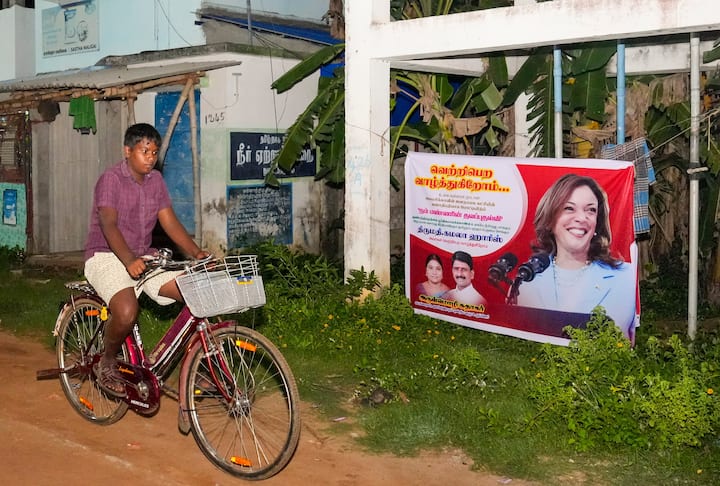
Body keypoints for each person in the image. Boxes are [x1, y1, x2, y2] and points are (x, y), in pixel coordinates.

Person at [84, 123, 209, 397]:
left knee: (197, 292)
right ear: (127, 151)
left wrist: (197, 253)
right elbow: (108, 224)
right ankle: (107, 362)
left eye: (154, 152)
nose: (150, 158)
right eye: (144, 151)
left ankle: (202, 367)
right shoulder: (111, 180)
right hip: (105, 255)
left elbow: (170, 222)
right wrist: (128, 259)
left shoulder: (156, 182)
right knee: (127, 311)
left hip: (144, 257)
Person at [516, 174, 636, 339]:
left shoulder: (625, 276)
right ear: (550, 219)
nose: (581, 218)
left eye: (591, 210)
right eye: (569, 208)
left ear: (597, 224)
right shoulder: (527, 278)